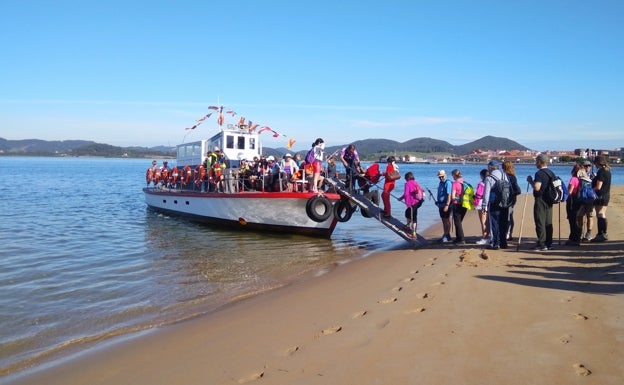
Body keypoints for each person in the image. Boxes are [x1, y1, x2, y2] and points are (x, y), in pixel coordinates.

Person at [526, 154, 554, 251]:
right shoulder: (551, 173)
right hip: (550, 199)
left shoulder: (539, 173)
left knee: (540, 222)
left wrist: (530, 181)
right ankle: (549, 243)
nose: (535, 163)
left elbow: (537, 187)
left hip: (541, 199)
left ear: (540, 162)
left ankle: (542, 243)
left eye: (536, 161)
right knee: (548, 222)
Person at [481, 160, 510, 249]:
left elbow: (486, 193)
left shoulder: (489, 178)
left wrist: (484, 206)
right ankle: (503, 243)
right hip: (505, 203)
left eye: (488, 167)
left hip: (494, 203)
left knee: (494, 223)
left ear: (490, 167)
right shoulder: (505, 175)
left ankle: (495, 243)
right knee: (503, 223)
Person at [590, 155, 612, 242]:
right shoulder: (607, 171)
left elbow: (598, 186)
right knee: (602, 214)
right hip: (606, 195)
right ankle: (604, 233)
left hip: (600, 195)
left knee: (600, 214)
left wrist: (590, 190)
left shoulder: (601, 172)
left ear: (597, 163)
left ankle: (600, 234)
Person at [397, 172, 424, 238]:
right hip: (419, 202)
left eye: (405, 178)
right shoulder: (415, 182)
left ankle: (411, 231)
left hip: (412, 203)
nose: (405, 179)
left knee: (408, 214)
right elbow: (421, 190)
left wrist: (401, 198)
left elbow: (406, 194)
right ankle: (410, 228)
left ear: (408, 178)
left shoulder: (407, 184)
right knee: (413, 216)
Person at [502, 160, 521, 241]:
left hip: (507, 199)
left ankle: (507, 234)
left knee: (507, 217)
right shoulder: (513, 176)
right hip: (512, 199)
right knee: (509, 216)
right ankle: (509, 233)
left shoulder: (506, 176)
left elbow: (516, 190)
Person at [565, 163, 583, 246]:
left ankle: (574, 238)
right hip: (581, 201)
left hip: (573, 201)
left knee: (572, 220)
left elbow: (570, 192)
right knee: (577, 219)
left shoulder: (574, 179)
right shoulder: (583, 179)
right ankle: (577, 237)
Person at [449, 169, 467, 245]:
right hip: (465, 204)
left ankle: (462, 239)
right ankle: (458, 238)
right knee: (459, 221)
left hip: (457, 204)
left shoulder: (455, 183)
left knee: (458, 222)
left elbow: (453, 196)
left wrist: (455, 199)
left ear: (454, 175)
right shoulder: (464, 182)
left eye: (452, 175)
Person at [579, 160, 595, 241]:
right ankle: (580, 232)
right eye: (586, 166)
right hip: (581, 198)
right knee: (580, 216)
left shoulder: (593, 176)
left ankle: (588, 233)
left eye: (589, 166)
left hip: (590, 199)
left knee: (590, 216)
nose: (587, 167)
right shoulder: (580, 175)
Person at [435, 169, 452, 243]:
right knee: (443, 220)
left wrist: (447, 204)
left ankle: (447, 235)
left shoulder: (447, 183)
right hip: (440, 204)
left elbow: (449, 195)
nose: (441, 178)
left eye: (442, 176)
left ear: (445, 175)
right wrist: (438, 201)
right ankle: (446, 234)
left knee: (446, 220)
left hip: (446, 204)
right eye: (439, 177)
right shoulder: (440, 183)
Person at [474, 169, 490, 245]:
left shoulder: (481, 184)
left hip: (481, 203)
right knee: (487, 221)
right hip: (488, 203)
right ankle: (487, 236)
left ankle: (485, 237)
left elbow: (478, 194)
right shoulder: (490, 182)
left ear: (482, 176)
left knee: (483, 221)